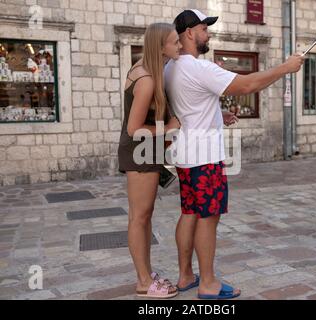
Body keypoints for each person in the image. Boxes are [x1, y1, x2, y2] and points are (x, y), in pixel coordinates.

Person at [164, 9, 305, 299]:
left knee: (189, 213)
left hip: (185, 155)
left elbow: (190, 104)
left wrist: (218, 112)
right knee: (208, 217)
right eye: (204, 29)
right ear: (190, 33)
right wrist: (285, 68)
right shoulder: (199, 68)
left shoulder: (171, 67)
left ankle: (185, 276)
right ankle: (208, 284)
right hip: (205, 158)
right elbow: (248, 84)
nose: (208, 34)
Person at [118, 23, 182, 298]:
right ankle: (143, 281)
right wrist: (169, 129)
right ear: (161, 47)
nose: (179, 46)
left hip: (146, 151)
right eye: (175, 42)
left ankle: (145, 274)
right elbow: (134, 128)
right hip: (139, 151)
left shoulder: (145, 69)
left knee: (143, 217)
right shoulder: (146, 80)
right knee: (140, 218)